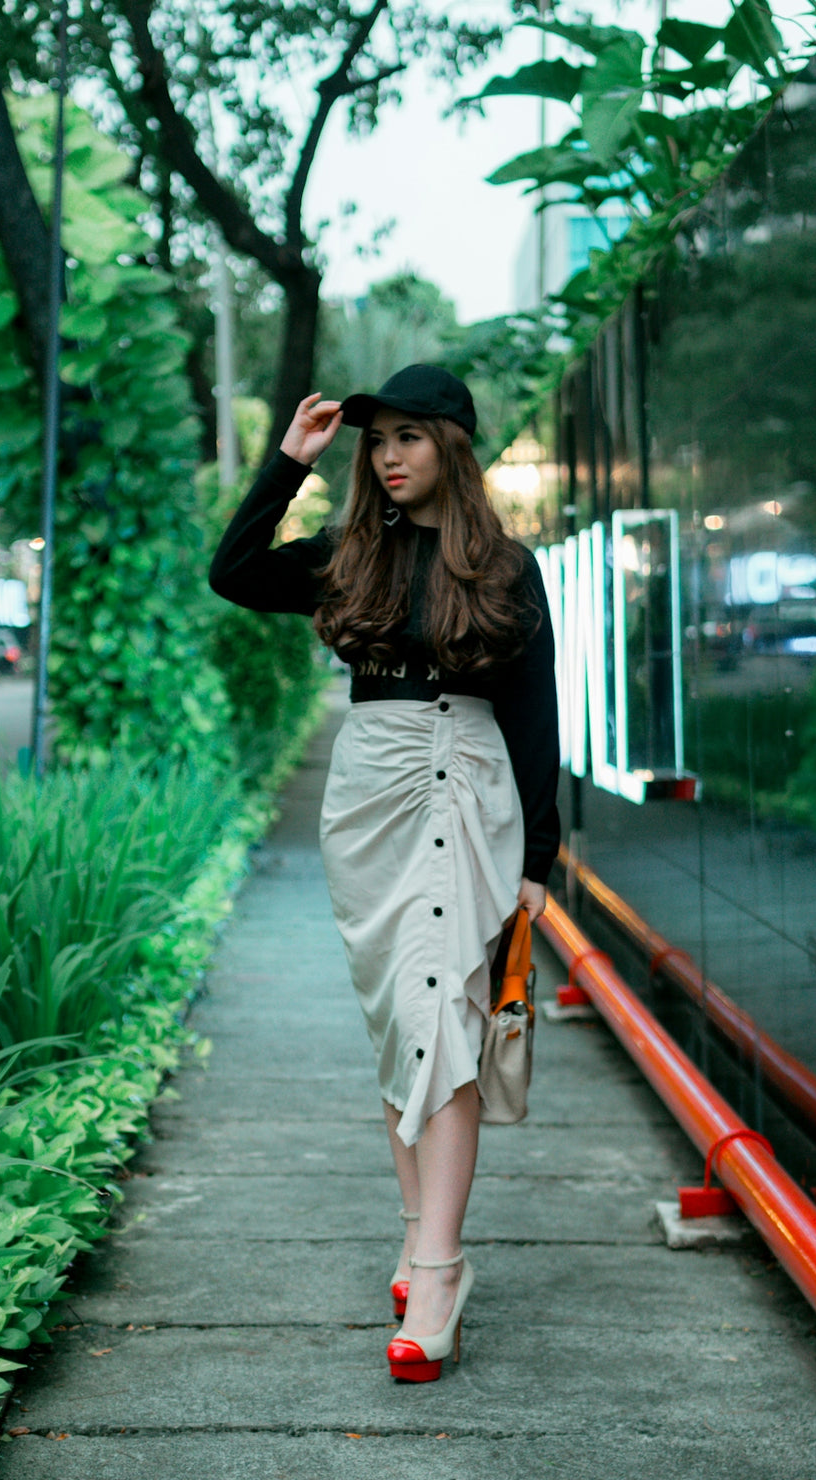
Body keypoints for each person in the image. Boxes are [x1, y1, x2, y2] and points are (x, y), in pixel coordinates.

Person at [209, 364, 560, 1382]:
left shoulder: (502, 566)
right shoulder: (346, 554)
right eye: (377, 440)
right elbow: (232, 572)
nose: (388, 455)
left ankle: (440, 1268)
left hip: (467, 788)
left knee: (443, 1013)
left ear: (450, 443)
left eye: (407, 436)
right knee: (398, 1020)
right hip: (369, 797)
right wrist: (287, 462)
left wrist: (537, 857)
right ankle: (417, 1232)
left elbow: (536, 714)